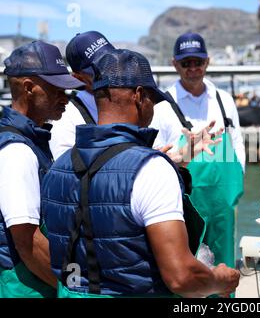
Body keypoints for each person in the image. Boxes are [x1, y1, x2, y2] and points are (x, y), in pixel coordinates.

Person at [41, 48, 240, 298]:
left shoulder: (57, 167)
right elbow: (183, 278)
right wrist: (222, 279)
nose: (153, 108)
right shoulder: (151, 169)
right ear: (139, 96)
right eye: (152, 99)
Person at [150, 32, 245, 270]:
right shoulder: (161, 104)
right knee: (186, 267)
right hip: (182, 201)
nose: (193, 68)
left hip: (223, 200)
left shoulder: (224, 100)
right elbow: (155, 154)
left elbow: (237, 142)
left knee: (224, 267)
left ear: (207, 62)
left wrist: (236, 182)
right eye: (186, 63)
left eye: (198, 62)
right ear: (174, 64)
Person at [0, 41, 85, 297]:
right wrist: (76, 287)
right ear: (28, 88)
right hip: (24, 286)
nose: (66, 99)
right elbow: (28, 242)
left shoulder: (30, 141)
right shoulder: (17, 151)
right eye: (58, 89)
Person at [49, 31, 115, 159]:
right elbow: (66, 173)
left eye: (112, 64)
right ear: (78, 78)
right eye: (98, 71)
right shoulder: (67, 120)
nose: (109, 73)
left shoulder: (127, 99)